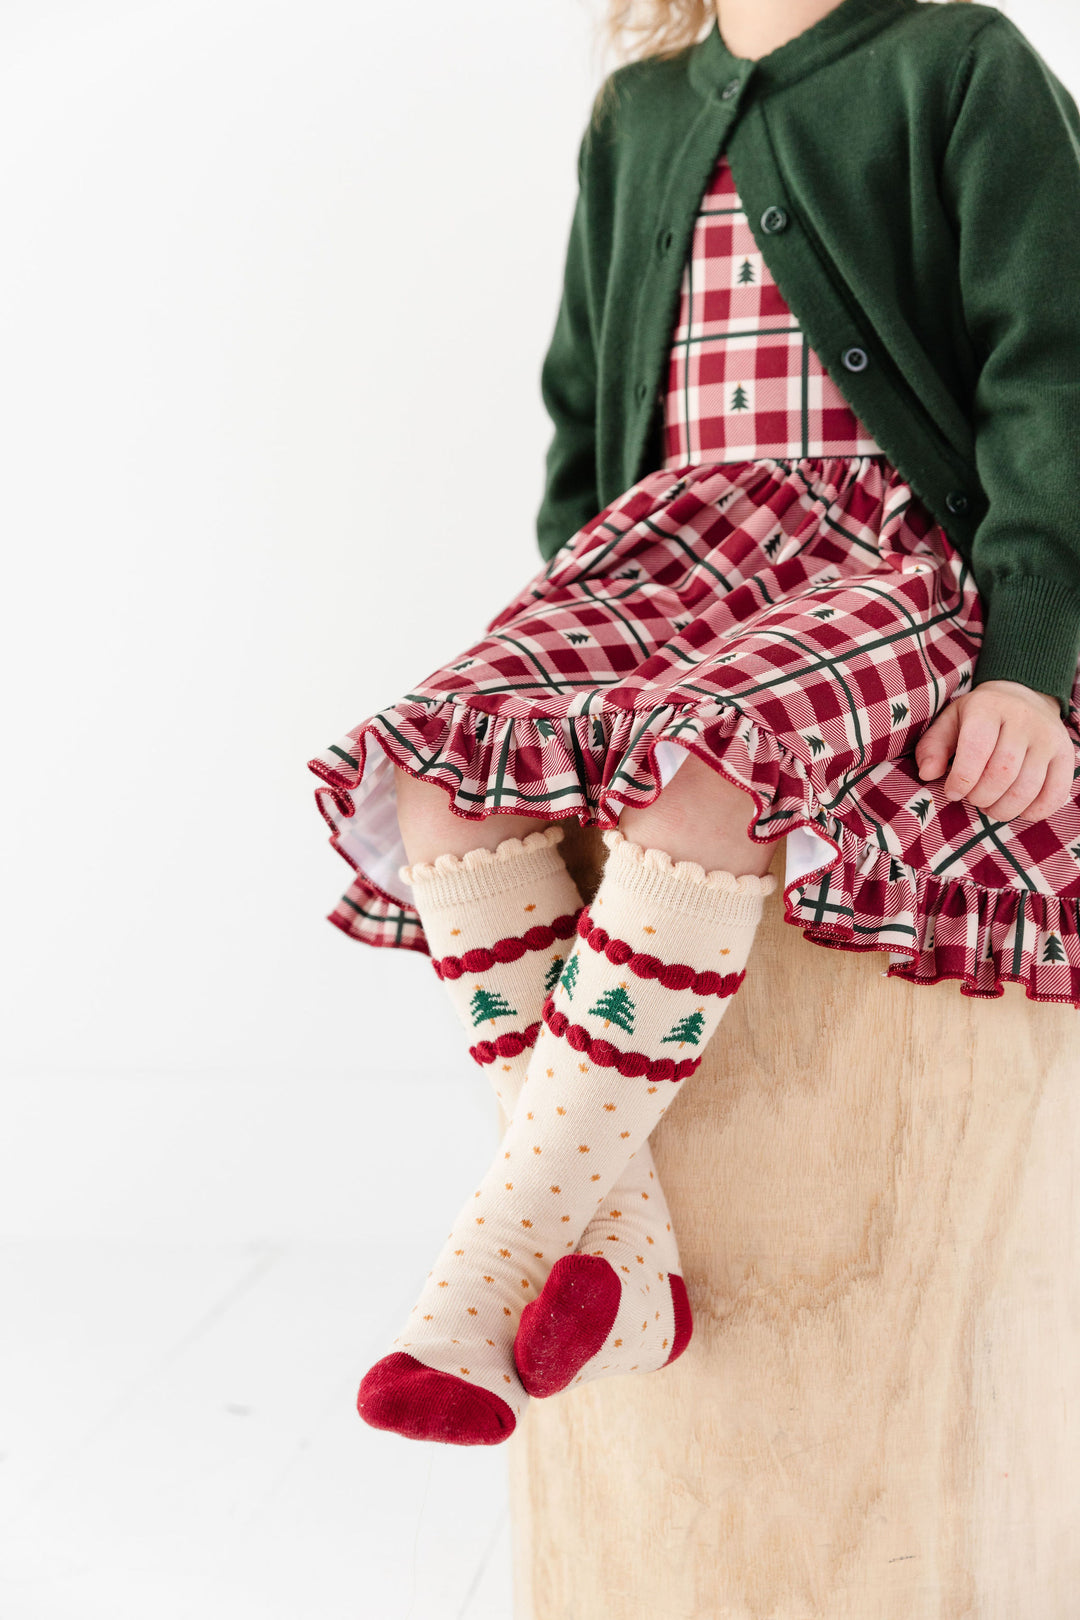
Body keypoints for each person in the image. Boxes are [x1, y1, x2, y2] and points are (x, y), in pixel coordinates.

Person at [308, 0, 1080, 1445]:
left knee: (707, 772)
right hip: (659, 556)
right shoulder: (638, 115)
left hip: (887, 556)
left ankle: (478, 1286)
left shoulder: (960, 62)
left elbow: (1057, 372)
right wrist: (566, 641)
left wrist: (1031, 654)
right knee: (437, 776)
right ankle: (630, 1265)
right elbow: (582, 415)